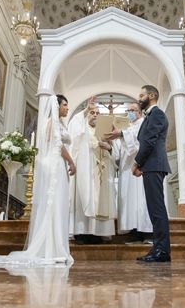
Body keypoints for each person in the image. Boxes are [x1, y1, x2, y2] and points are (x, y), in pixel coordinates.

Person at [0, 94, 76, 267]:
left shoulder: (60, 123)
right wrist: (70, 160)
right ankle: (50, 246)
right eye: (65, 105)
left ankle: (57, 245)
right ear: (57, 107)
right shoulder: (51, 123)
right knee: (54, 202)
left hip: (58, 164)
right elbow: (56, 143)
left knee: (60, 202)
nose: (67, 108)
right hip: (55, 164)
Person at [68, 98, 117, 243]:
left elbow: (116, 151)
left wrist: (109, 147)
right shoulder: (82, 129)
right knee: (85, 198)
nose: (95, 115)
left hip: (103, 172)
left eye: (97, 113)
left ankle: (99, 233)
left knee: (101, 200)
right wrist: (84, 110)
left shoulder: (105, 132)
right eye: (92, 112)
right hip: (86, 171)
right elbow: (73, 129)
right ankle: (82, 232)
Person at [132, 85, 172, 262]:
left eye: (142, 95)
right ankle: (157, 247)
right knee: (154, 209)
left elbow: (148, 142)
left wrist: (136, 163)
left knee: (157, 209)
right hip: (151, 166)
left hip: (154, 165)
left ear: (152, 95)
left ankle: (162, 251)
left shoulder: (157, 114)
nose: (139, 98)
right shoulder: (150, 116)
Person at [105, 102, 153, 242]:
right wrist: (110, 146)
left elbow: (137, 145)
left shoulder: (144, 124)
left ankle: (147, 232)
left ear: (139, 112)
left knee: (141, 200)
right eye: (128, 110)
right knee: (129, 200)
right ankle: (134, 231)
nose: (129, 113)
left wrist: (121, 134)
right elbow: (119, 153)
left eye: (132, 110)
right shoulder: (128, 127)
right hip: (126, 169)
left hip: (139, 168)